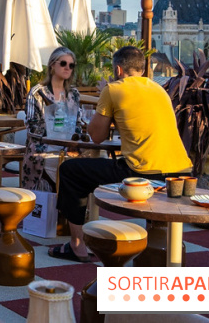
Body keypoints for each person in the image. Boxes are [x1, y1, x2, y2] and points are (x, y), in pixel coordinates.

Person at [49, 46, 193, 263]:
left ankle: (77, 245)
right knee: (100, 169)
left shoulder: (113, 89)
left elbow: (96, 137)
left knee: (70, 171)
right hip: (183, 172)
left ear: (118, 69)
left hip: (144, 173)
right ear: (142, 70)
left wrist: (102, 97)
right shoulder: (158, 89)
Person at [22, 47, 82, 191]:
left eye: (71, 65)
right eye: (63, 63)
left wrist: (73, 141)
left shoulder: (73, 94)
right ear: (52, 65)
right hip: (43, 147)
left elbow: (78, 124)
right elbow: (32, 125)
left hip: (67, 148)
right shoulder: (38, 92)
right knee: (61, 165)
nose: (67, 68)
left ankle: (72, 209)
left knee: (86, 166)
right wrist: (54, 131)